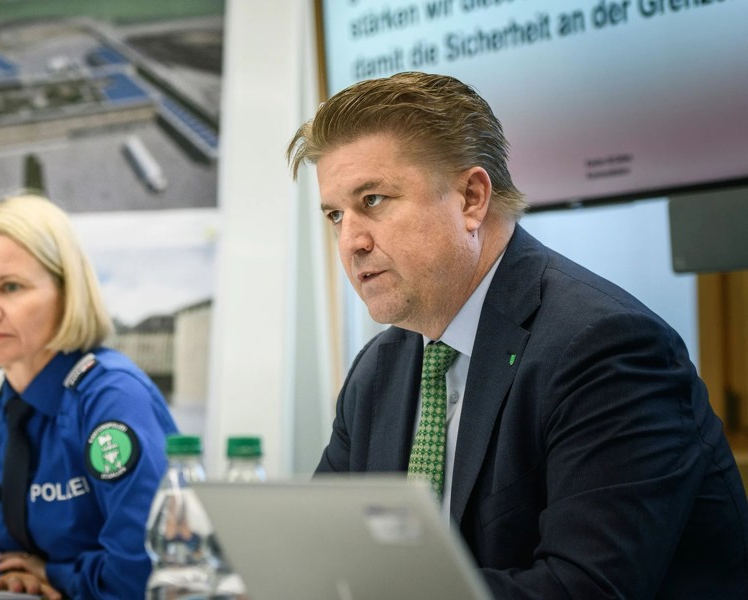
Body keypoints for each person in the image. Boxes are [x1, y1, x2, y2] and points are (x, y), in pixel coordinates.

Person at [287, 72, 748, 598]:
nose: (350, 242)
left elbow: (586, 589)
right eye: (335, 215)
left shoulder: (603, 347)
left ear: (471, 198)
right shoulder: (379, 368)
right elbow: (329, 551)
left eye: (372, 200)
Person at [0, 193, 178, 599]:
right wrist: (9, 580)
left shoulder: (111, 397)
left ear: (68, 292)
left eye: (10, 287)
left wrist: (57, 576)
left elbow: (144, 569)